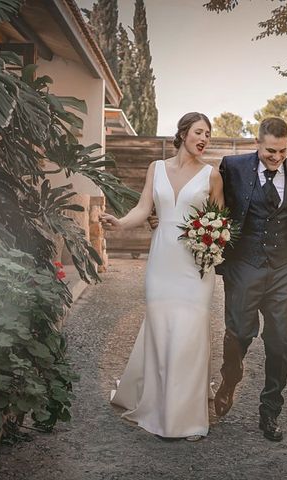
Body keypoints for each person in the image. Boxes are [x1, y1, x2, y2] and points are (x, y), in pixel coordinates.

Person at [100, 112, 224, 441]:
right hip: (162, 262)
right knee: (162, 330)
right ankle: (158, 406)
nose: (204, 139)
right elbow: (144, 209)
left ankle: (186, 417)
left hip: (196, 266)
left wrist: (211, 245)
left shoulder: (212, 175)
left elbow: (219, 220)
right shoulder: (156, 168)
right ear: (183, 133)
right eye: (199, 132)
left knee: (190, 334)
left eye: (208, 135)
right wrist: (121, 223)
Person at [213, 117, 287, 442]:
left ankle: (270, 411)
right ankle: (230, 378)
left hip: (285, 268)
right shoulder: (233, 167)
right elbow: (214, 206)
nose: (277, 157)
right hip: (244, 263)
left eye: (283, 151)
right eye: (271, 150)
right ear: (258, 143)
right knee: (239, 333)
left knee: (280, 343)